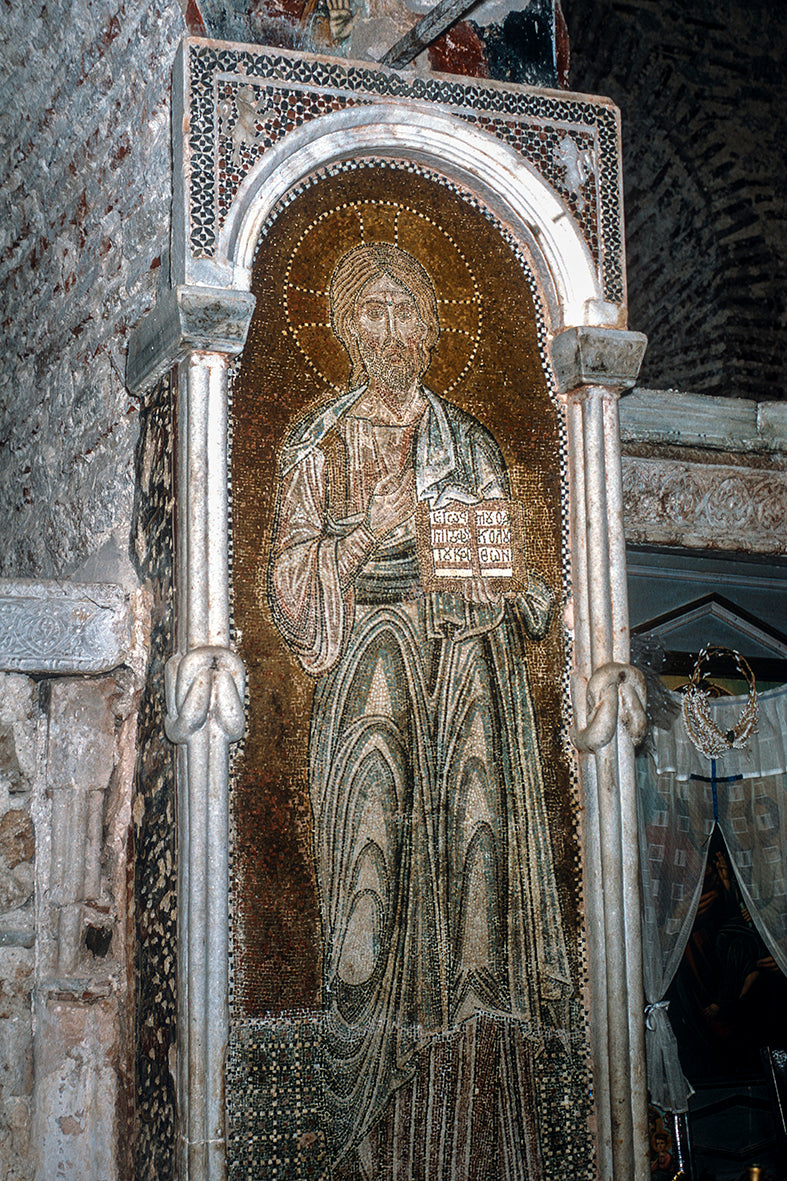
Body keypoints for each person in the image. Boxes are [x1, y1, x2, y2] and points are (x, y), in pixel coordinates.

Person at [268, 242, 570, 1178]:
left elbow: (492, 564)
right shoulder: (319, 441)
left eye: (407, 311)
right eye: (373, 312)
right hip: (369, 676)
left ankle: (470, 1142)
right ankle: (361, 1138)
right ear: (347, 327)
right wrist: (367, 532)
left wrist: (518, 594)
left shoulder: (467, 441)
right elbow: (287, 583)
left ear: (430, 325)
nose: (392, 331)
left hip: (465, 682)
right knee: (369, 873)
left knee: (474, 883)